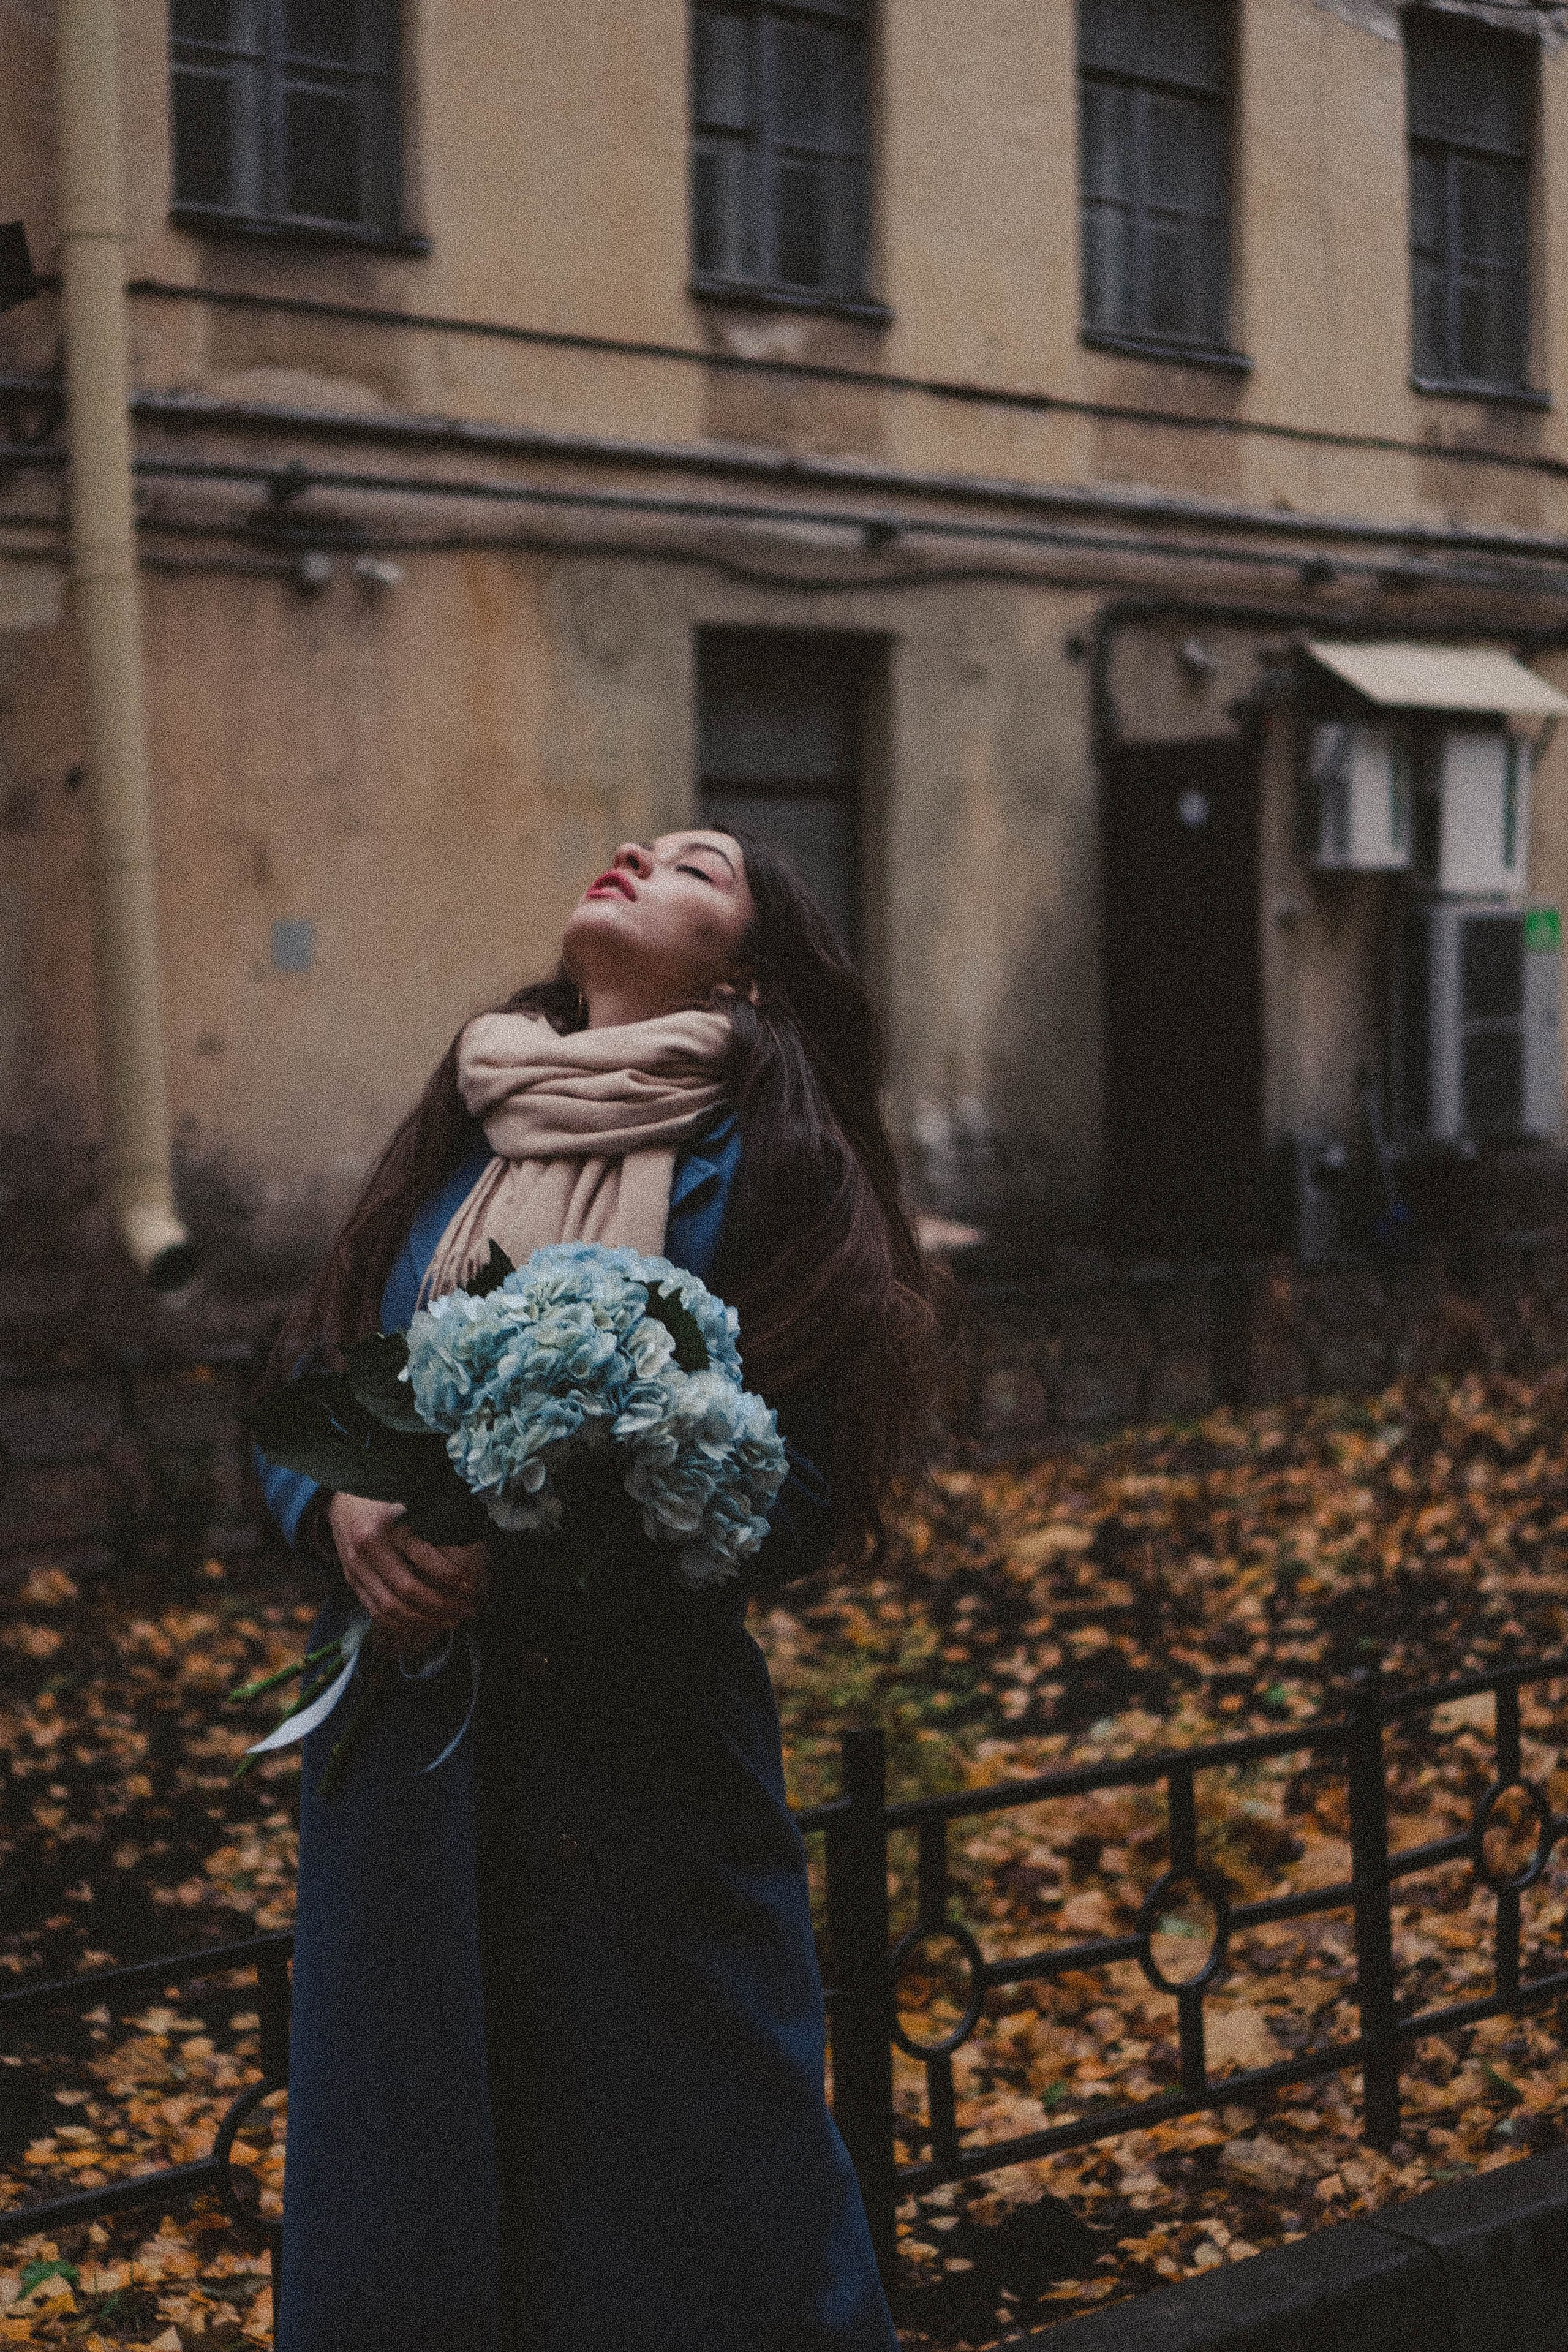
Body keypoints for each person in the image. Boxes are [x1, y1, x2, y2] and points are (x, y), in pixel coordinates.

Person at [255, 829, 933, 2352]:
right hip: (414, 1787)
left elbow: (804, 1493)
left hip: (634, 1775)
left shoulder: (770, 1163)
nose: (637, 851)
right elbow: (306, 1378)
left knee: (692, 2210)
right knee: (414, 2208)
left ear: (748, 973)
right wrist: (343, 1503)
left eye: (700, 864)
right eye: (637, 840)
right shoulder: (471, 1111)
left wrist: (558, 1532)